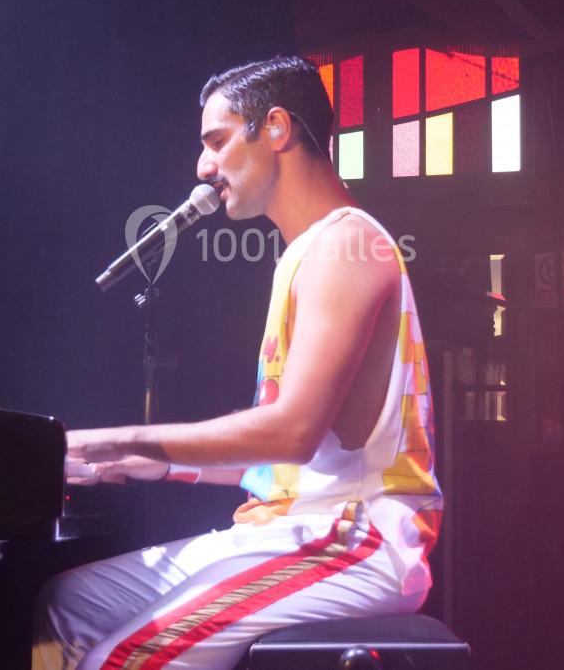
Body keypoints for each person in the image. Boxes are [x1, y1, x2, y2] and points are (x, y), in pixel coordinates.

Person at [32, 56, 442, 670]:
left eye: (217, 141)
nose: (203, 166)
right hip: (292, 526)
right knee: (68, 605)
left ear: (275, 128)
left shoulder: (348, 245)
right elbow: (295, 459)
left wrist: (111, 439)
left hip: (353, 537)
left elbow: (293, 432)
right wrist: (161, 465)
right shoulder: (308, 251)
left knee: (120, 661)